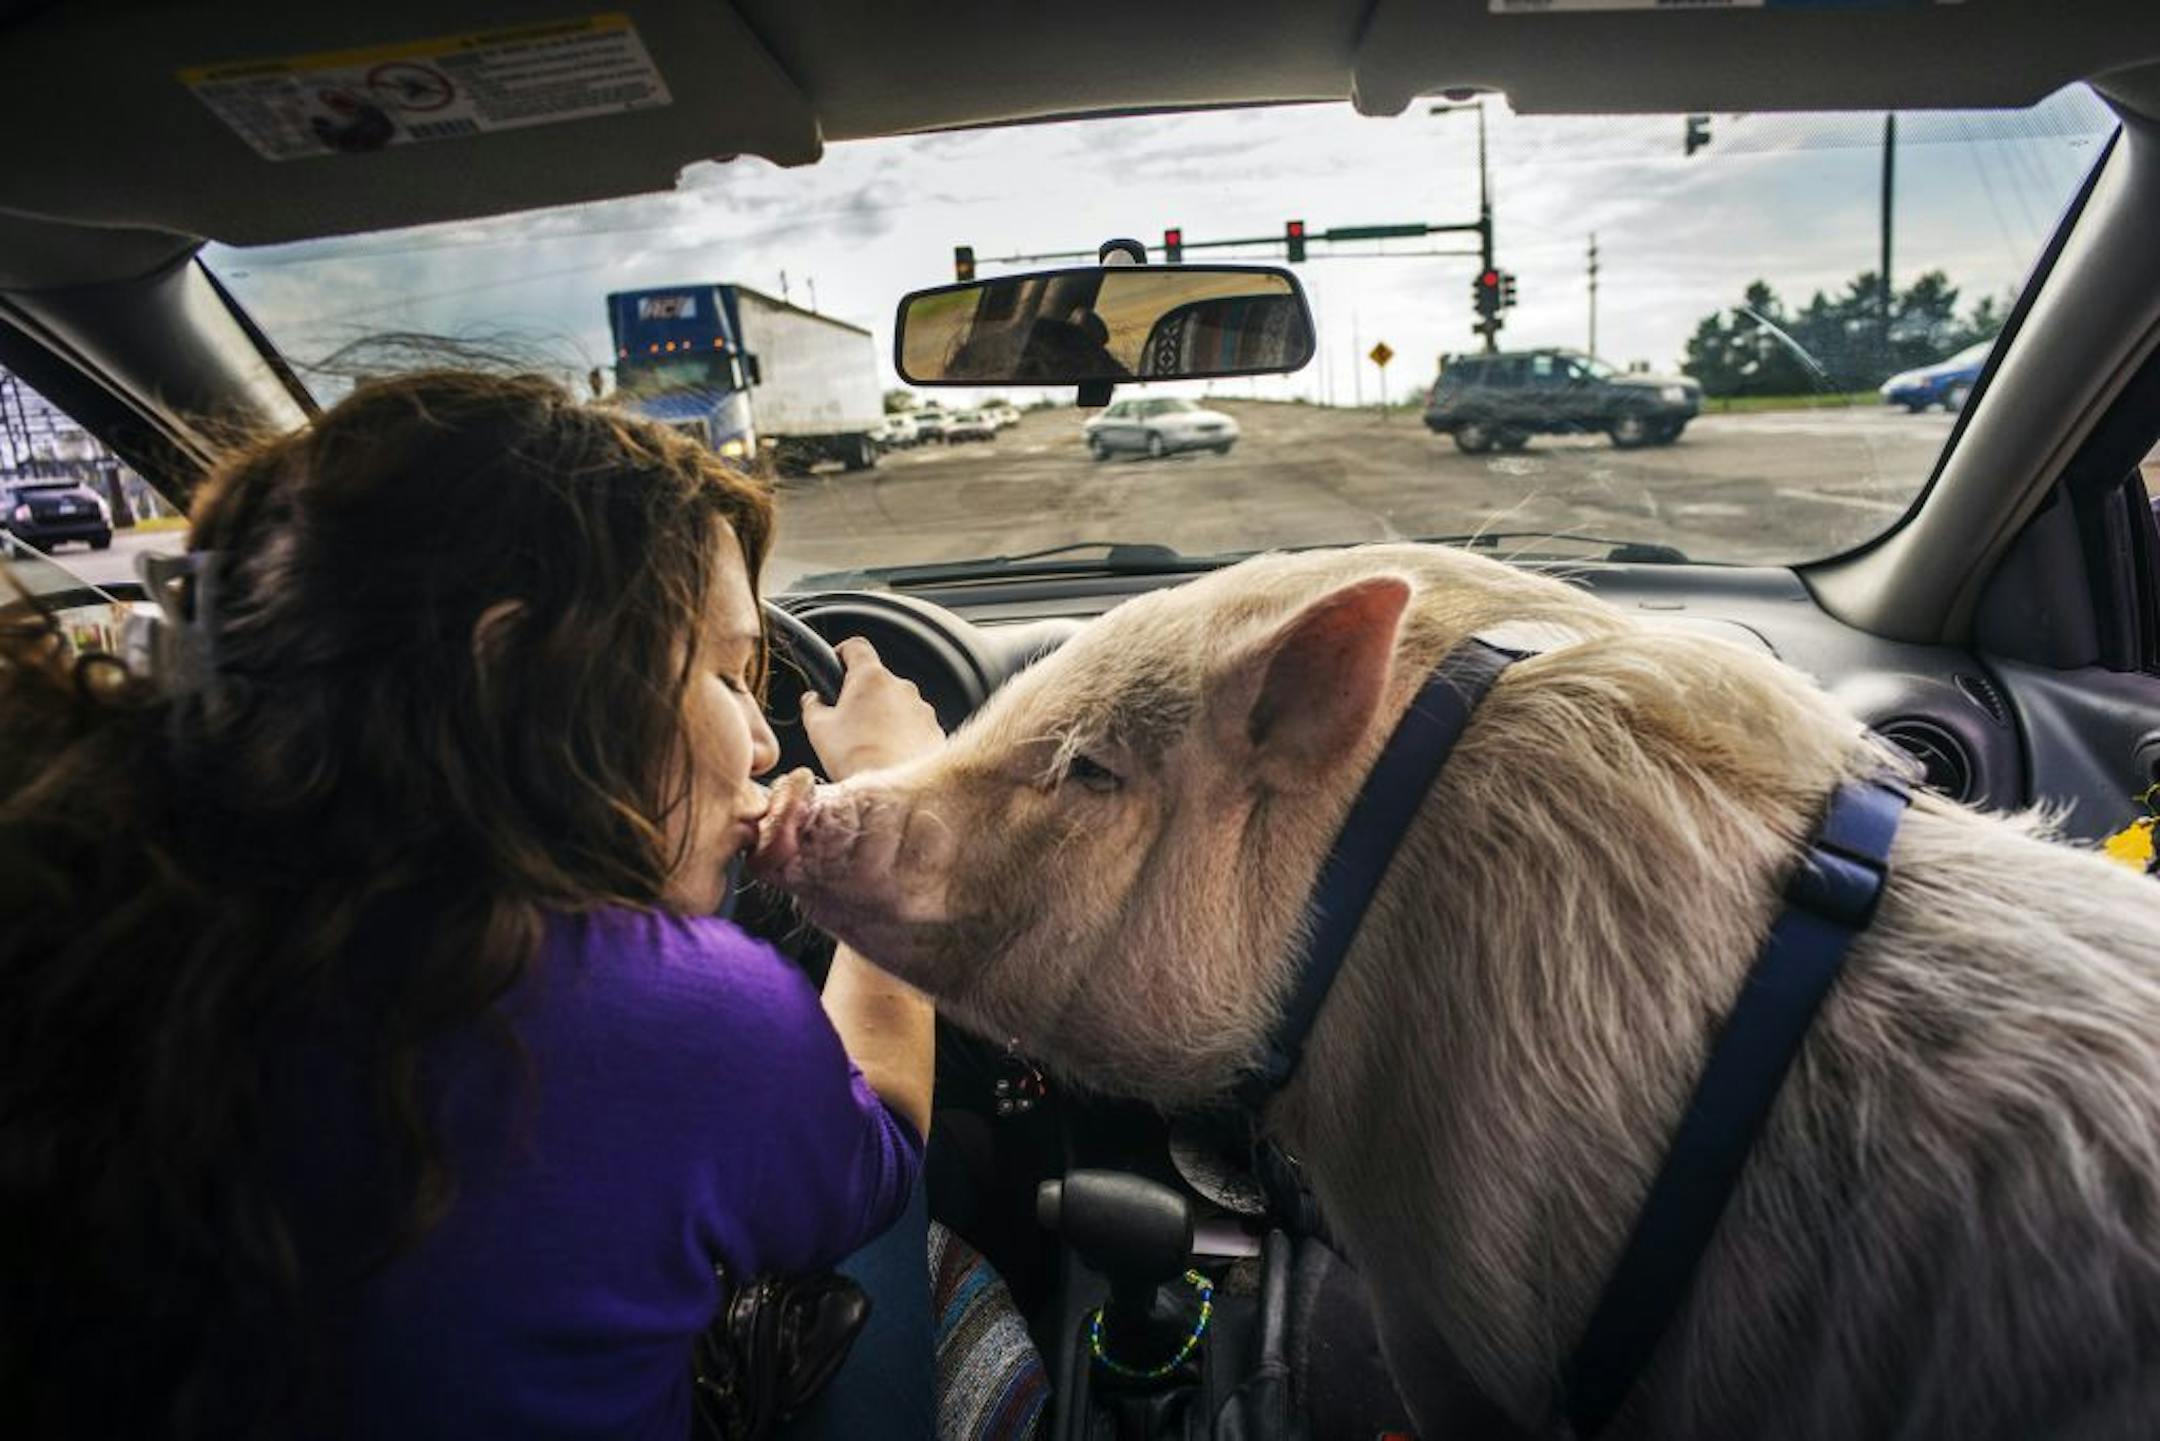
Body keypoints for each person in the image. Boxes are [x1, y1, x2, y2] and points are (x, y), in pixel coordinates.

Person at [0, 371, 948, 1438]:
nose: (765, 740)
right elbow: (887, 1140)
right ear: (518, 669)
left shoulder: (98, 916)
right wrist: (894, 841)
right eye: (729, 676)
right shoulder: (672, 1013)